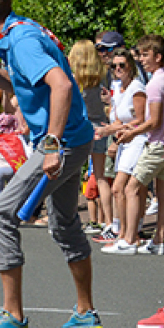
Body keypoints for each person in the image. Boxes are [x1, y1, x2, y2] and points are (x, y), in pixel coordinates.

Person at [0, 0, 99, 327]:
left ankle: (12, 315)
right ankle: (85, 314)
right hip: (75, 139)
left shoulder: (21, 42)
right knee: (65, 225)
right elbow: (19, 86)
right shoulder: (20, 30)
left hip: (60, 143)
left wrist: (51, 145)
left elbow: (62, 85)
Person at [114, 34, 164, 255]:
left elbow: (153, 121)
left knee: (131, 188)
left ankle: (130, 239)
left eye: (146, 55)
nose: (141, 59)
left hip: (157, 145)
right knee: (161, 196)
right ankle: (159, 240)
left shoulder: (154, 83)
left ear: (158, 57)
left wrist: (131, 133)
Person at [94, 48, 147, 253]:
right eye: (114, 66)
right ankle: (124, 234)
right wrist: (110, 133)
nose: (117, 69)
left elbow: (140, 120)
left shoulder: (136, 88)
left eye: (122, 65)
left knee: (120, 188)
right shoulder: (118, 86)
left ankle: (128, 236)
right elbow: (118, 119)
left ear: (131, 66)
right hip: (123, 140)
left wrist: (110, 130)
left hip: (136, 139)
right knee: (121, 189)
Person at [67, 40, 112, 234]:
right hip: (100, 127)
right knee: (101, 177)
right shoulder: (101, 78)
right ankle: (109, 222)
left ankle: (69, 217)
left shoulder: (74, 81)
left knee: (72, 175)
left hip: (81, 128)